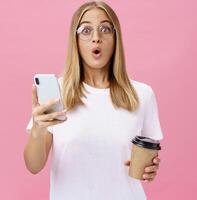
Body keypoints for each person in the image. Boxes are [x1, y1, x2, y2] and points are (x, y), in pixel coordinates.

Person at [23, 1, 164, 199]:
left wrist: (151, 167)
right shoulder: (58, 93)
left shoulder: (142, 94)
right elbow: (33, 166)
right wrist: (38, 130)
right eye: (86, 30)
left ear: (115, 38)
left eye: (105, 29)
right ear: (76, 40)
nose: (96, 38)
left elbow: (148, 156)